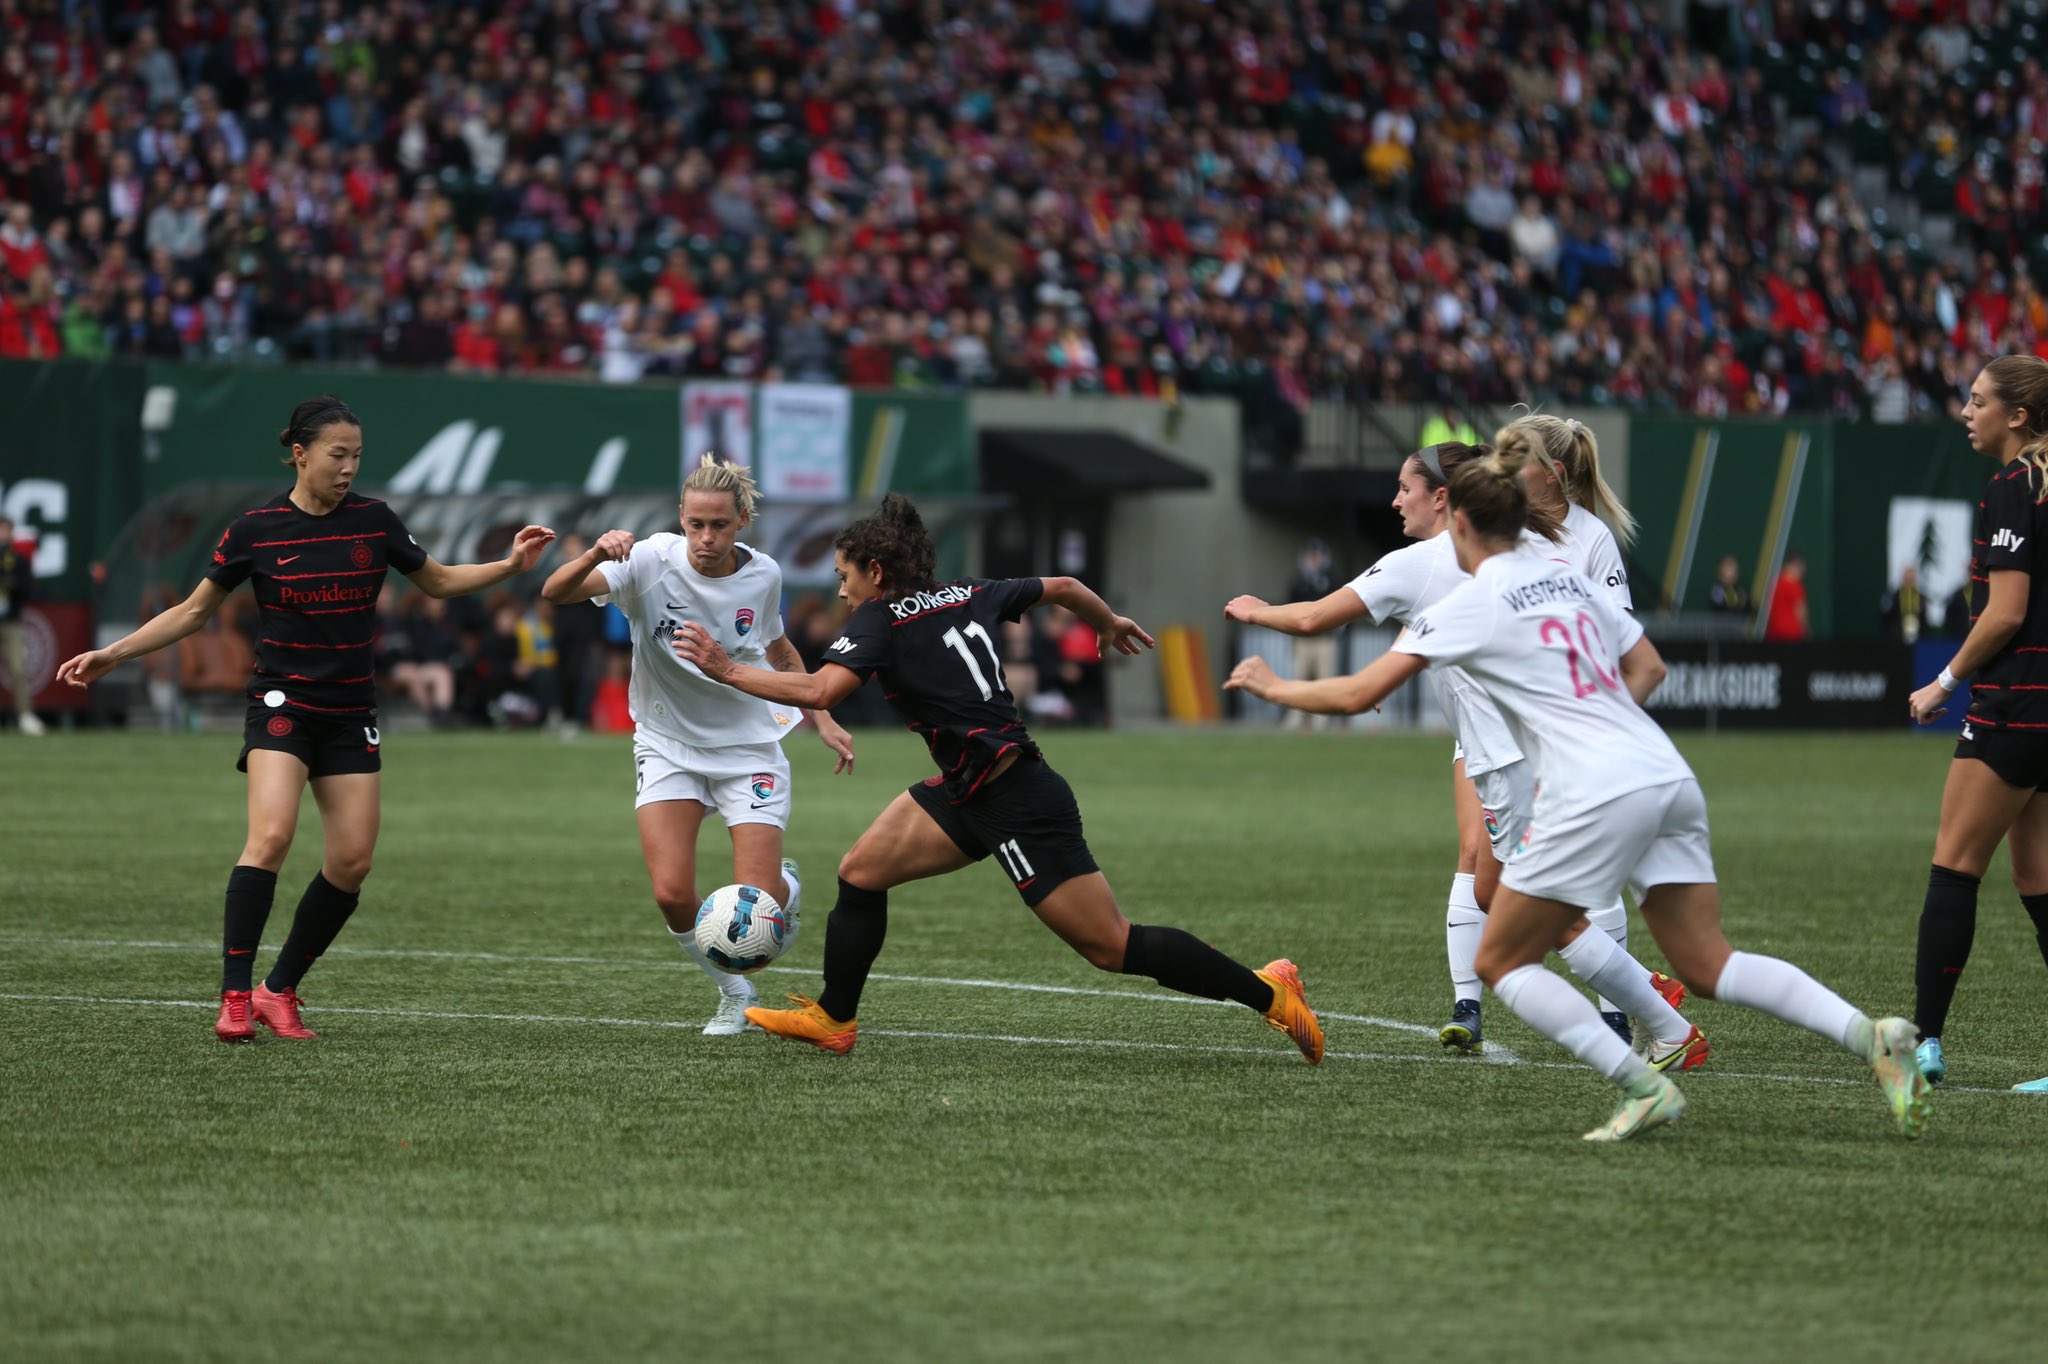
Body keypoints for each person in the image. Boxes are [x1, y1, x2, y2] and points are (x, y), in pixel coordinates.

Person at [1228, 453, 1931, 1142]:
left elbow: (1357, 693)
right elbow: (1648, 664)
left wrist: (1271, 685)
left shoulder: (1470, 599)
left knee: (1500, 959)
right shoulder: (1565, 575)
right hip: (1664, 771)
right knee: (1708, 961)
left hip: (1594, 788)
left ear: (1463, 525)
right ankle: (1873, 1035)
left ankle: (1643, 1085)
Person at [671, 494, 1324, 1062]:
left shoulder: (880, 617)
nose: (842, 592)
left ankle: (1269, 992)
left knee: (1110, 945)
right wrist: (1108, 623)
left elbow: (820, 689)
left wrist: (727, 670)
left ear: (875, 571)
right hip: (970, 787)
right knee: (861, 872)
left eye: (845, 577)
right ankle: (834, 1019)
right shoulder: (970, 591)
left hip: (1015, 799)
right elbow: (1065, 586)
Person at [56, 395, 558, 1043]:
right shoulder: (255, 529)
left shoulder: (374, 521)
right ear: (300, 454)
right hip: (282, 705)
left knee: (352, 861)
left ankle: (278, 989)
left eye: (356, 456)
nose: (349, 467)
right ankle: (235, 996)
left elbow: (435, 580)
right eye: (336, 455)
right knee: (270, 838)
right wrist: (111, 654)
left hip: (350, 710)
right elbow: (191, 612)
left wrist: (510, 566)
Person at [1225, 443, 1701, 1065]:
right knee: (1490, 890)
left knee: (1530, 921)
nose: (1396, 500)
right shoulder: (1526, 551)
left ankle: (1657, 1023)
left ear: (1445, 499)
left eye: (1406, 487)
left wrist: (1260, 626)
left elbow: (1320, 621)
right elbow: (1628, 655)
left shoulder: (1422, 563)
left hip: (1512, 761)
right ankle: (1641, 1011)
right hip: (1551, 750)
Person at [542, 453, 857, 1035]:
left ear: (741, 523)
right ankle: (733, 992)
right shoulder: (646, 561)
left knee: (759, 906)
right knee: (670, 894)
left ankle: (783, 885)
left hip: (749, 749)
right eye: (695, 524)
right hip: (665, 744)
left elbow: (777, 649)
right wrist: (592, 553)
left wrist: (823, 713)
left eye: (719, 525)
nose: (705, 538)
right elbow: (555, 590)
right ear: (680, 519)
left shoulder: (763, 575)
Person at [1904, 355, 2048, 1092]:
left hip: (2018, 704)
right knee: (2038, 878)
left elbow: (2007, 612)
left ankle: (1924, 1043)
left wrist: (1944, 682)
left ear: (2017, 416)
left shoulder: (2015, 486)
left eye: (1979, 399)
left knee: (1955, 866)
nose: (1967, 409)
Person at [1496, 411, 1660, 1043]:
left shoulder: (1592, 540)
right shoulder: (1503, 530)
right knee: (1488, 873)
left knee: (1590, 872)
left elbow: (1624, 646)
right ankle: (1468, 1003)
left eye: (1522, 459)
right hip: (1510, 726)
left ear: (1553, 473)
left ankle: (1618, 1009)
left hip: (1570, 726)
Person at [1283, 539, 1340, 731]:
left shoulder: (1331, 580)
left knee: (1324, 679)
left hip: (1325, 639)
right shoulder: (1298, 582)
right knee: (1300, 678)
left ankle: (1321, 719)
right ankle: (1296, 716)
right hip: (1303, 639)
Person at [0, 515, 46, 734]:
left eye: (4, 529)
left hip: (11, 621)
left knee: (18, 668)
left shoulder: (17, 560)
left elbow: (29, 589)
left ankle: (25, 715)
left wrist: (11, 583)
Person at [1764, 554, 1811, 641]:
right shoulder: (1795, 585)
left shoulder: (1774, 584)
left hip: (1774, 632)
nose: (1802, 573)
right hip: (1792, 633)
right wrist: (1807, 631)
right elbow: (1801, 611)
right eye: (1800, 568)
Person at [1881, 565, 1931, 645]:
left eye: (1911, 579)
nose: (1909, 581)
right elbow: (1886, 619)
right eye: (1907, 579)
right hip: (1897, 640)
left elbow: (1924, 621)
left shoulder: (1921, 598)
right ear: (1903, 578)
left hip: (1917, 641)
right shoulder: (1894, 597)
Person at [1708, 555, 1753, 620]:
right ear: (1721, 569)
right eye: (1728, 567)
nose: (1731, 570)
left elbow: (1750, 608)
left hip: (1739, 627)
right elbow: (1727, 605)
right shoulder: (1717, 589)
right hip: (1720, 626)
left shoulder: (1742, 588)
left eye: (1733, 567)